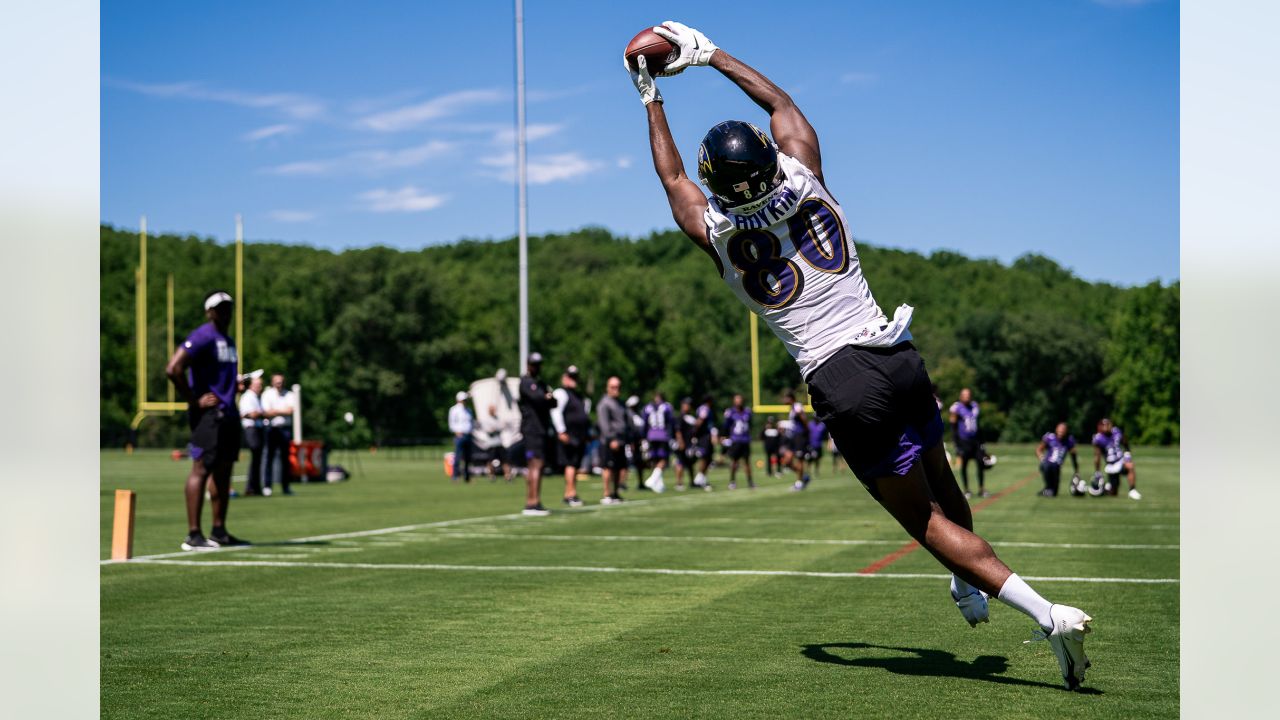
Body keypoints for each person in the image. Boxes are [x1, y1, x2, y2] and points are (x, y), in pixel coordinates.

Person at [629, 21, 1092, 690]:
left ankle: (1049, 616)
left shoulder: (722, 235)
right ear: (766, 157)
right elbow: (782, 106)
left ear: (719, 183)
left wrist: (650, 96)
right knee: (942, 475)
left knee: (924, 521)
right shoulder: (806, 176)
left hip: (840, 374)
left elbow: (671, 177)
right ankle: (969, 588)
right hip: (893, 348)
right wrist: (711, 55)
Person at [165, 290, 248, 550]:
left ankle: (219, 531)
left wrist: (233, 386)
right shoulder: (203, 335)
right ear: (209, 312)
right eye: (220, 308)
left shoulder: (228, 340)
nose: (226, 312)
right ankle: (193, 534)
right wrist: (194, 399)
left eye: (228, 308)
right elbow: (173, 368)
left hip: (228, 413)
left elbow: (219, 377)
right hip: (208, 417)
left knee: (224, 472)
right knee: (201, 469)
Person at [518, 352, 556, 515]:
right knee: (535, 463)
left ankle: (535, 501)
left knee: (538, 464)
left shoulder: (540, 383)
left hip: (540, 429)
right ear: (528, 365)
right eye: (534, 364)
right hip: (532, 429)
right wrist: (546, 397)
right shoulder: (526, 382)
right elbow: (540, 399)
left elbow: (553, 401)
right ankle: (531, 502)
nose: (537, 367)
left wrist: (547, 398)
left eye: (538, 364)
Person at [551, 365, 590, 507]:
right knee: (570, 464)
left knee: (575, 465)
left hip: (579, 436)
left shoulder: (577, 395)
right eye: (571, 377)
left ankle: (571, 493)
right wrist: (561, 431)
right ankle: (570, 494)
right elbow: (555, 412)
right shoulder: (561, 393)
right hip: (568, 435)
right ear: (565, 378)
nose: (573, 380)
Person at [259, 372, 295, 496]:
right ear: (272, 382)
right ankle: (267, 486)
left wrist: (275, 411)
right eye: (277, 381)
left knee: (286, 459)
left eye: (281, 381)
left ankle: (286, 487)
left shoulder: (289, 394)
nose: (279, 384)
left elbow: (290, 410)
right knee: (269, 457)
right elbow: (267, 412)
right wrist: (281, 411)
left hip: (284, 429)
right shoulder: (267, 394)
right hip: (271, 429)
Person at [949, 388, 986, 499]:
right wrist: (956, 443)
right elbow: (953, 426)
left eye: (968, 394)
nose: (967, 397)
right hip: (964, 441)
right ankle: (966, 490)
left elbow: (978, 425)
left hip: (976, 441)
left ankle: (981, 489)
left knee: (981, 463)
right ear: (960, 396)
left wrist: (983, 441)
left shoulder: (975, 406)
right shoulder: (956, 408)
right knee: (964, 465)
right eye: (964, 395)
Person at [597, 376, 628, 504]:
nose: (616, 389)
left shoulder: (620, 403)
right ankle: (607, 493)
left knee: (618, 467)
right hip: (609, 441)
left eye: (618, 387)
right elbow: (604, 424)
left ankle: (615, 493)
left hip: (620, 440)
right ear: (607, 388)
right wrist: (612, 439)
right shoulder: (604, 403)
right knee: (608, 467)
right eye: (613, 387)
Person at [1092, 418, 1141, 500]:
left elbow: (1125, 442)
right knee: (1113, 493)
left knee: (1130, 466)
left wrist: (1127, 455)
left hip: (1120, 461)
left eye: (1108, 424)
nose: (1107, 427)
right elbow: (1097, 456)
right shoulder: (1098, 438)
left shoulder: (1116, 432)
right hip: (1110, 466)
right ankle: (1104, 488)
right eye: (1104, 425)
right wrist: (1097, 471)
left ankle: (1132, 490)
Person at [237, 371, 266, 496]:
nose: (260, 387)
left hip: (256, 429)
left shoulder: (255, 397)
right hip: (251, 429)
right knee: (256, 458)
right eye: (258, 384)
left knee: (257, 460)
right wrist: (265, 413)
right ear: (252, 385)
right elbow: (248, 414)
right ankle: (251, 488)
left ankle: (255, 487)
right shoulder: (248, 397)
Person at [641, 392, 675, 492]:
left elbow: (644, 424)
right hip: (662, 435)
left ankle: (659, 484)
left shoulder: (647, 407)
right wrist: (671, 436)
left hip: (651, 435)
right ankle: (653, 479)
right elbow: (670, 422)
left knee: (655, 459)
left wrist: (644, 437)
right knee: (663, 459)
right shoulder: (667, 407)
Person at [1036, 423, 1080, 497]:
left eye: (1063, 430)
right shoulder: (1050, 437)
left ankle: (1048, 489)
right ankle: (1048, 488)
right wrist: (1041, 458)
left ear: (1066, 431)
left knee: (1054, 493)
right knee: (1046, 466)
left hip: (1057, 466)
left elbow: (1073, 455)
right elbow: (1038, 449)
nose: (1061, 432)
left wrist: (1076, 470)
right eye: (1059, 430)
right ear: (1056, 430)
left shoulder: (1069, 441)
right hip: (1047, 463)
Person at [781, 391, 811, 491]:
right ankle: (804, 477)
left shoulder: (797, 406)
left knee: (799, 459)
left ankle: (799, 483)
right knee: (787, 461)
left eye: (786, 398)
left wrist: (806, 431)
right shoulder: (791, 409)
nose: (784, 400)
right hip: (793, 437)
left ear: (791, 398)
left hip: (799, 437)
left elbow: (803, 417)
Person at [723, 393, 754, 490]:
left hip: (745, 440)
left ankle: (750, 482)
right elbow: (726, 426)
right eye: (736, 400)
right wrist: (725, 437)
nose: (738, 402)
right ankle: (732, 481)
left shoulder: (747, 411)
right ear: (734, 401)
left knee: (747, 462)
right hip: (735, 440)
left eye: (740, 399)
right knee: (734, 461)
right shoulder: (730, 412)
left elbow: (750, 425)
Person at [691, 394, 716, 489]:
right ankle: (699, 478)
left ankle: (701, 478)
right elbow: (700, 420)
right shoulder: (704, 408)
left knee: (708, 458)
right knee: (705, 457)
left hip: (705, 436)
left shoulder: (703, 408)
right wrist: (694, 433)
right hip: (704, 436)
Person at [448, 391, 474, 483]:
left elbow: (471, 423)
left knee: (467, 458)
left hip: (468, 435)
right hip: (460, 436)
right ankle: (455, 476)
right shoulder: (454, 410)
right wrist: (456, 432)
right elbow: (451, 423)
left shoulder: (469, 410)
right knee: (458, 456)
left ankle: (467, 477)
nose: (465, 401)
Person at [673, 397, 696, 491]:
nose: (688, 406)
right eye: (686, 404)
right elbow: (677, 431)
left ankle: (692, 482)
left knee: (690, 463)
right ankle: (679, 483)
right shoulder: (680, 417)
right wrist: (680, 442)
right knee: (680, 462)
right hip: (682, 443)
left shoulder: (690, 417)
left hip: (689, 443)